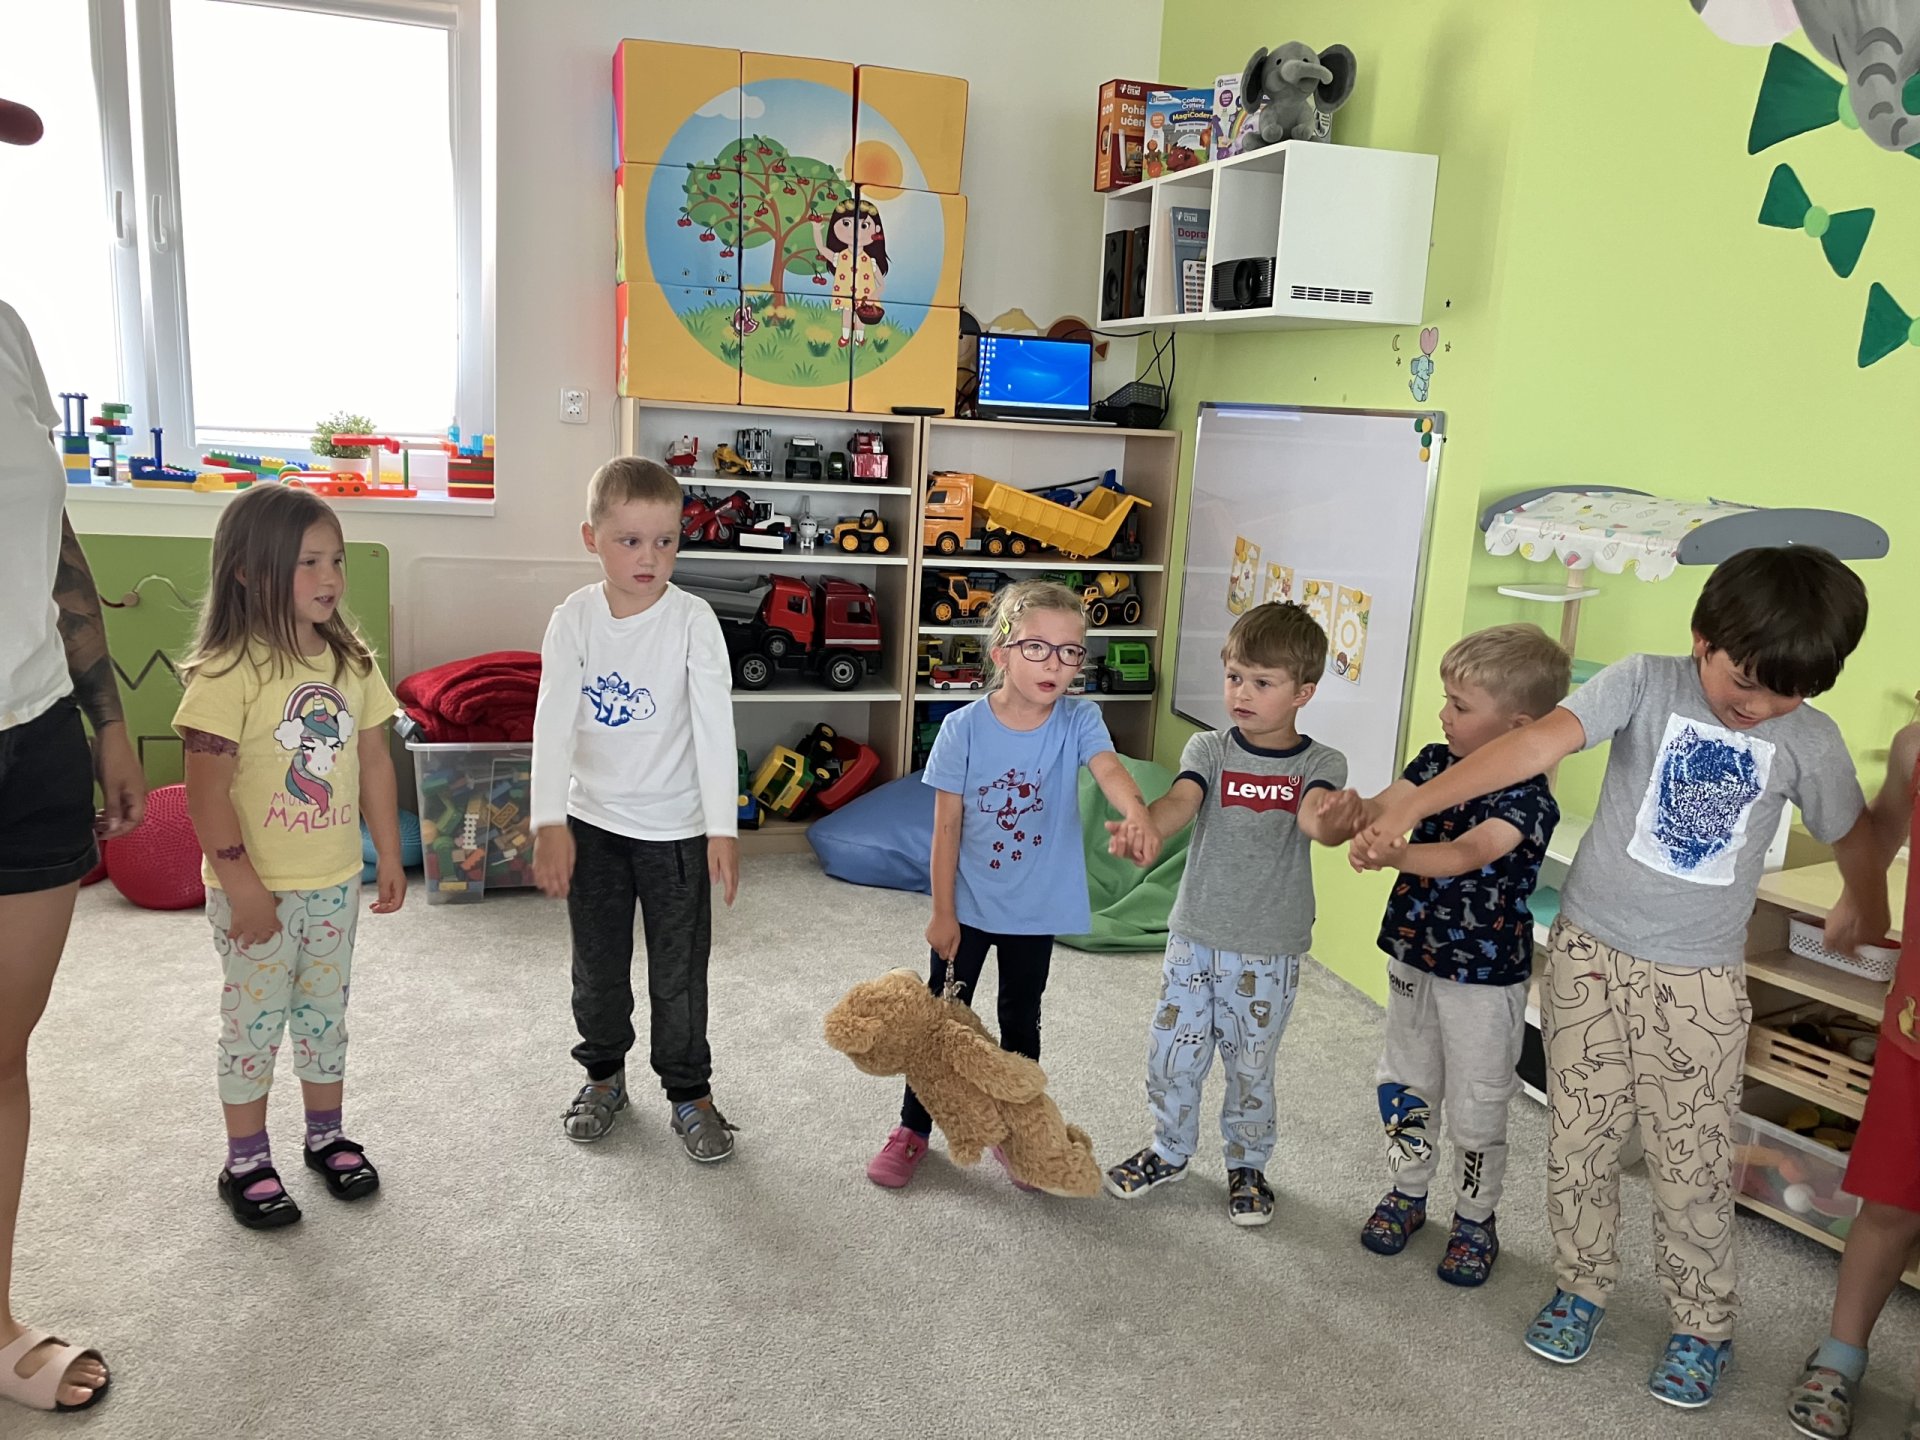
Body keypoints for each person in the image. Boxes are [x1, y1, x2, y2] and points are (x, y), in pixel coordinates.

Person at [1356, 546, 1882, 1409]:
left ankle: (1703, 1324)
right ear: (1703, 638)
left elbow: (1852, 830)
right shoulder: (1643, 682)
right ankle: (1582, 1285)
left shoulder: (1808, 740)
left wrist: (1864, 899)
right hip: (1590, 959)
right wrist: (1413, 802)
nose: (1758, 707)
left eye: (1788, 693)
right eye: (1745, 681)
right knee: (1580, 1142)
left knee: (1691, 1162)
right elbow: (1532, 745)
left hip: (1699, 983)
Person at [0, 92, 143, 1413]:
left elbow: (51, 545)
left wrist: (105, 717)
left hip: (32, 735)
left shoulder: (8, 336)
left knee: (3, 1051)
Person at [867, 579, 1156, 1190]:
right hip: (968, 907)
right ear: (1001, 653)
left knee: (1021, 1024)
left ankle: (1019, 1135)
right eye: (1037, 648)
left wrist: (1136, 812)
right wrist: (942, 912)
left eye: (1070, 651)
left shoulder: (1080, 718)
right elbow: (946, 829)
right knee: (940, 1023)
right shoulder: (962, 729)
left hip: (1036, 910)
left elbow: (1109, 769)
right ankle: (913, 1129)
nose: (1056, 664)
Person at [174, 485, 405, 1229]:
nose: (330, 577)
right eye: (309, 561)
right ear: (249, 571)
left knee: (323, 1015)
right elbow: (205, 793)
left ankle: (325, 1136)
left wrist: (390, 854)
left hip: (333, 881)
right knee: (253, 1024)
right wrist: (243, 888)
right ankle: (245, 1160)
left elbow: (374, 761)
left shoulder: (351, 661)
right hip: (256, 890)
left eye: (336, 560)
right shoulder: (227, 669)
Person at [1102, 602, 1363, 1225]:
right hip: (1194, 935)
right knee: (1171, 1054)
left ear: (1303, 693)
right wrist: (1147, 826)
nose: (1241, 693)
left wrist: (1337, 823)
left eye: (1261, 682)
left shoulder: (1320, 763)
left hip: (1268, 946)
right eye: (1234, 677)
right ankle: (1169, 1149)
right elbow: (1181, 800)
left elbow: (1314, 820)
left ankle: (1247, 1164)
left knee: (1250, 1064)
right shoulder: (1210, 749)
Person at [531, 457, 741, 1161]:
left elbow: (715, 728)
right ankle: (602, 1076)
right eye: (630, 541)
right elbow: (552, 724)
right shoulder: (574, 619)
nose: (649, 558)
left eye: (665, 541)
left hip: (676, 832)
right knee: (597, 965)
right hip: (591, 826)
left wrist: (722, 828)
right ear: (591, 538)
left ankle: (689, 1090)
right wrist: (548, 821)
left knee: (679, 973)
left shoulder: (693, 621)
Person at [1348, 624, 1570, 1284]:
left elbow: (1467, 854)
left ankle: (1475, 1217)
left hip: (1483, 977)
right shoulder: (1431, 762)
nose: (1443, 714)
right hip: (1412, 956)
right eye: (1447, 699)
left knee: (1479, 1102)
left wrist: (1396, 854)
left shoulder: (1529, 798)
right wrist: (1350, 815)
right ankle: (1407, 1189)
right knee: (1404, 1081)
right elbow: (1386, 806)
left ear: (1518, 727)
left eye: (1460, 705)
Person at [1787, 719, 1920, 1440]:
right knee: (1889, 1205)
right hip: (1916, 1030)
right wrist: (1858, 897)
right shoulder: (1915, 745)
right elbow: (1887, 823)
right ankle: (1840, 1356)